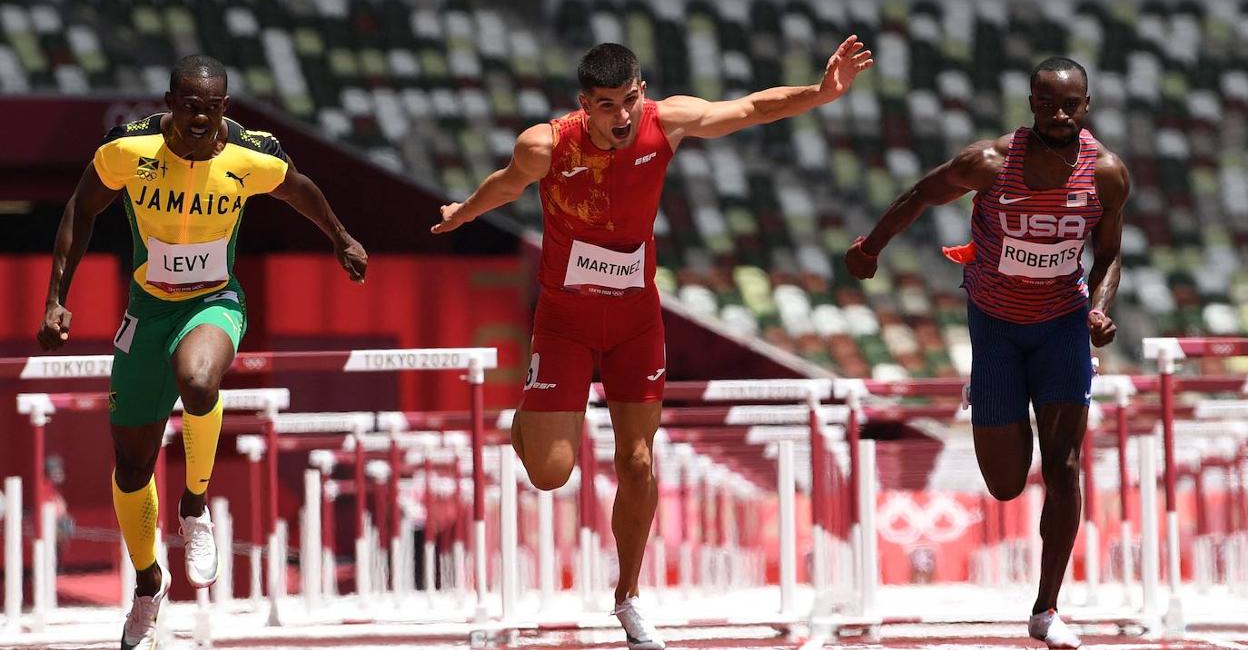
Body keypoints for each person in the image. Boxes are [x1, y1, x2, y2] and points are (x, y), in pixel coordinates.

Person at [433, 37, 873, 649]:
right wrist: (464, 213)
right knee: (550, 473)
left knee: (638, 460)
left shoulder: (667, 123)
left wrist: (822, 92)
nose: (621, 118)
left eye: (630, 102)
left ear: (643, 92)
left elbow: (751, 109)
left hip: (637, 320)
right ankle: (530, 422)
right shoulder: (546, 144)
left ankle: (628, 595)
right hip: (564, 320)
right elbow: (506, 185)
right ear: (585, 104)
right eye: (607, 106)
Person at [36, 55, 367, 650]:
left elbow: (301, 190)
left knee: (198, 380)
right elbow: (80, 209)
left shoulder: (250, 154)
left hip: (214, 301)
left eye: (211, 108)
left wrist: (341, 238)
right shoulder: (127, 151)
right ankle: (147, 586)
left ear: (225, 109)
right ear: (169, 102)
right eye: (189, 105)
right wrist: (57, 297)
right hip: (147, 309)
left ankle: (194, 505)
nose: (199, 118)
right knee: (132, 467)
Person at [845, 57, 1130, 649]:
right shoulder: (991, 163)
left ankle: (1047, 609)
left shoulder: (1105, 175)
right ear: (1030, 101)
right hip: (996, 327)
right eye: (1047, 102)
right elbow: (920, 194)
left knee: (1064, 467)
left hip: (1062, 326)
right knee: (1004, 483)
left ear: (1086, 105)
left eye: (1069, 104)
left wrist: (1100, 308)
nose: (1058, 113)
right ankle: (997, 399)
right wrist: (870, 248)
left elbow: (1108, 255)